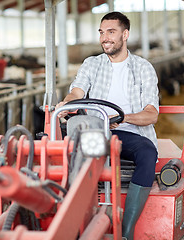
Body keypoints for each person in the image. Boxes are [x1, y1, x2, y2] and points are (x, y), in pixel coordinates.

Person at [55, 12, 159, 240]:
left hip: (128, 132)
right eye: (101, 33)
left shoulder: (143, 68)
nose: (105, 38)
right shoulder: (92, 64)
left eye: (111, 32)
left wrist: (122, 118)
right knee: (66, 153)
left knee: (148, 152)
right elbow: (77, 90)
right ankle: (72, 222)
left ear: (125, 34)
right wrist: (69, 102)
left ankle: (127, 231)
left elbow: (151, 115)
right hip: (95, 132)